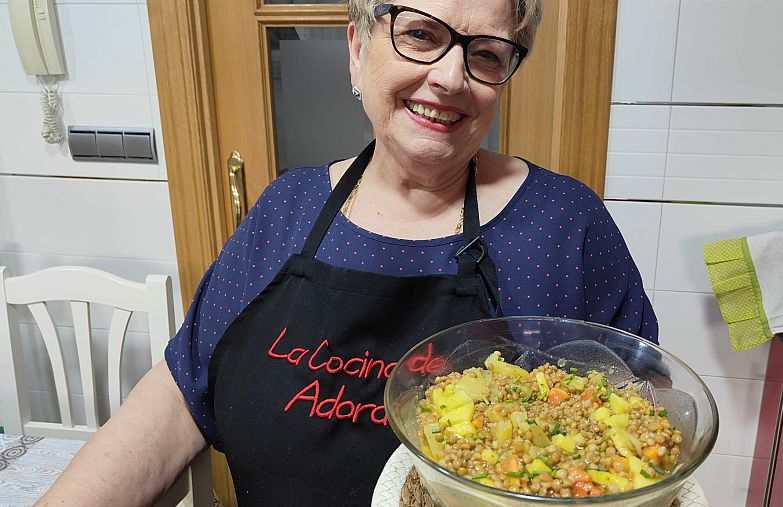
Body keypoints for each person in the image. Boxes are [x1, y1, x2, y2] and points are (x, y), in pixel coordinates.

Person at [36, 0, 657, 505]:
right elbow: (179, 395)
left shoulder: (563, 224)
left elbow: (644, 420)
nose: (450, 77)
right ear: (357, 50)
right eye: (420, 34)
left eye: (486, 53)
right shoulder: (287, 207)